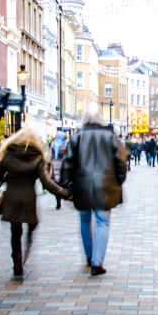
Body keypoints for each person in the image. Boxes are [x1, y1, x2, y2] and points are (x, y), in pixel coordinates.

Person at [61, 105, 127, 276]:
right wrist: (119, 180)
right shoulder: (110, 136)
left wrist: (66, 186)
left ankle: (90, 257)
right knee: (102, 222)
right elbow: (121, 161)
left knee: (84, 221)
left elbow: (67, 162)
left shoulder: (77, 136)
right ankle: (97, 263)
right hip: (105, 186)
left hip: (82, 186)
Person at [0, 127, 70, 276]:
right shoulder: (37, 157)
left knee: (15, 232)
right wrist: (64, 194)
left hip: (11, 197)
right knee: (32, 223)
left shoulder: (9, 154)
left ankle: (16, 258)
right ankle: (29, 238)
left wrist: (7, 176)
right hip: (28, 198)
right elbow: (47, 183)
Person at [50, 131, 68, 210]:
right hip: (63, 165)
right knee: (61, 182)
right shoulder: (65, 144)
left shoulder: (53, 144)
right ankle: (62, 195)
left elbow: (49, 155)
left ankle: (58, 200)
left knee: (56, 182)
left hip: (55, 164)